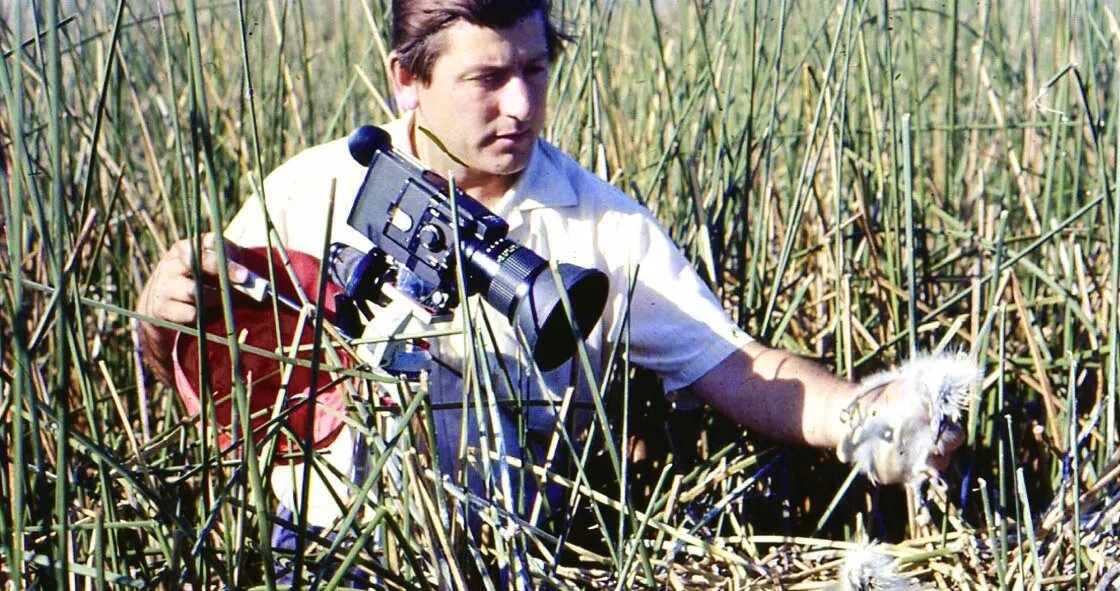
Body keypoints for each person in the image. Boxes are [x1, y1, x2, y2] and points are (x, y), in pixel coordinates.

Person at [137, 0, 960, 562]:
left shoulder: (602, 228)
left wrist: (868, 414)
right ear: (406, 79)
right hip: (313, 550)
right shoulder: (308, 190)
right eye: (487, 79)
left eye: (535, 69)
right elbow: (209, 382)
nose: (522, 104)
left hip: (501, 559)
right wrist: (158, 319)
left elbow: (739, 369)